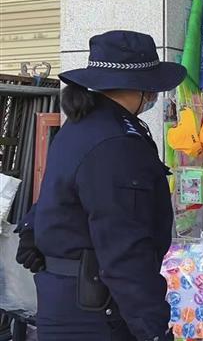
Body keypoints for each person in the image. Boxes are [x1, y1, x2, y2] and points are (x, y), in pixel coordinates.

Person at [14, 30, 186, 341]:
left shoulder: (82, 127)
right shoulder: (116, 142)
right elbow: (124, 246)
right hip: (97, 312)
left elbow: (60, 195)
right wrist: (153, 329)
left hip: (67, 304)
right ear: (142, 87)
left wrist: (32, 229)